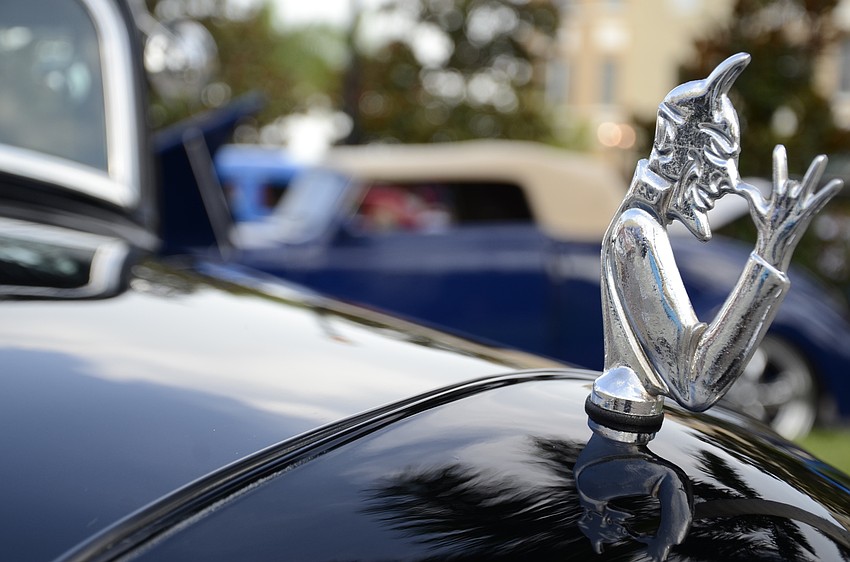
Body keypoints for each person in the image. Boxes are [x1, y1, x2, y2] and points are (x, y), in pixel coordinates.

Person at [590, 53, 842, 420]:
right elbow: (694, 383)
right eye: (719, 156)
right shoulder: (637, 231)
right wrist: (769, 257)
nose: (729, 182)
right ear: (674, 145)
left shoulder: (643, 227)